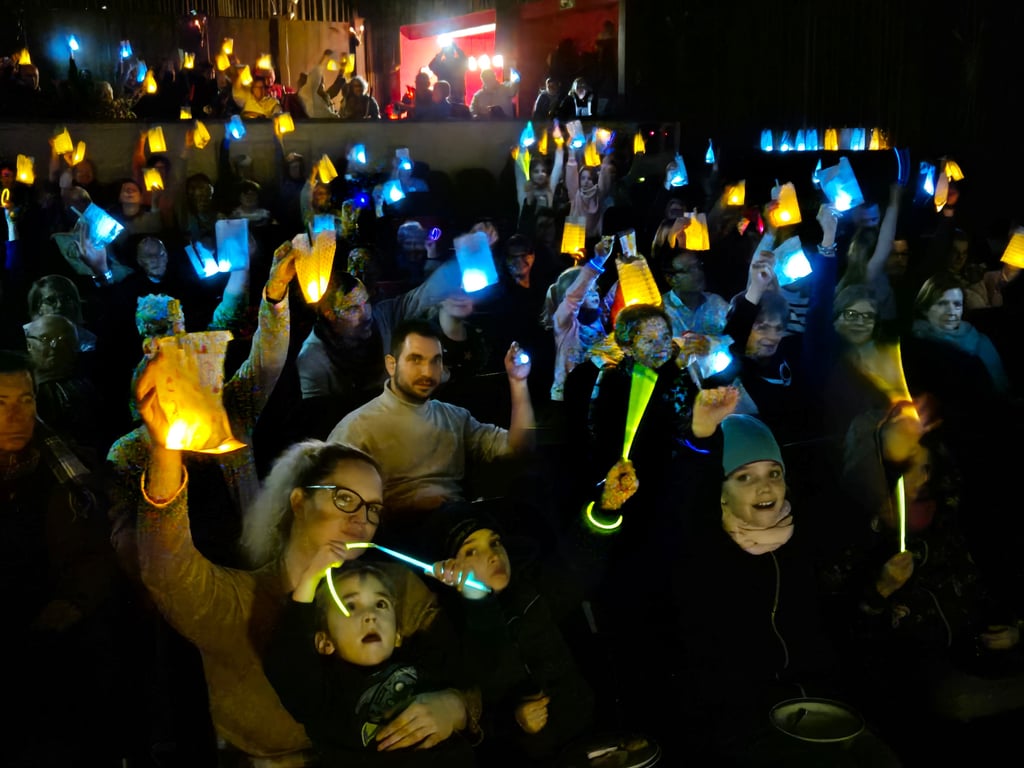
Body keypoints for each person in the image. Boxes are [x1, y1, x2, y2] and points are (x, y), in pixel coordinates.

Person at [132, 341, 478, 767]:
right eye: (345, 500)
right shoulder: (241, 600)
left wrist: (458, 706)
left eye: (372, 509)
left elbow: (467, 663)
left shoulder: (390, 585)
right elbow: (167, 569)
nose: (362, 521)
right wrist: (165, 449)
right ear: (298, 502)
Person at [0, 349, 133, 766]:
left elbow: (98, 549)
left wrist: (76, 601)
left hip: (64, 638)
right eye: (0, 404)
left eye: (26, 400)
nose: (17, 416)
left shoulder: (70, 472)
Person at [428, 500, 599, 767]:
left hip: (590, 734)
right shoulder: (452, 627)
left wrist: (604, 513)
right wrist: (516, 720)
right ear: (450, 568)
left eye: (495, 542)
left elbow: (577, 566)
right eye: (471, 551)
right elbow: (487, 677)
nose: (493, 555)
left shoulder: (530, 589)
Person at [326, 318, 535, 534]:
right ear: (392, 364)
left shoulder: (454, 417)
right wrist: (404, 507)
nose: (427, 372)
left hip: (461, 525)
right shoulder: (357, 427)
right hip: (397, 539)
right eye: (416, 360)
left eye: (435, 361)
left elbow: (518, 449)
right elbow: (331, 504)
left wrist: (518, 382)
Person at [265, 561, 478, 767]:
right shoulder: (325, 693)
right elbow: (287, 665)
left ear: (397, 636)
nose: (370, 616)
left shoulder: (421, 661)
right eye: (350, 606)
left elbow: (482, 665)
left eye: (380, 604)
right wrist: (308, 582)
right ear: (325, 642)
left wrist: (475, 595)